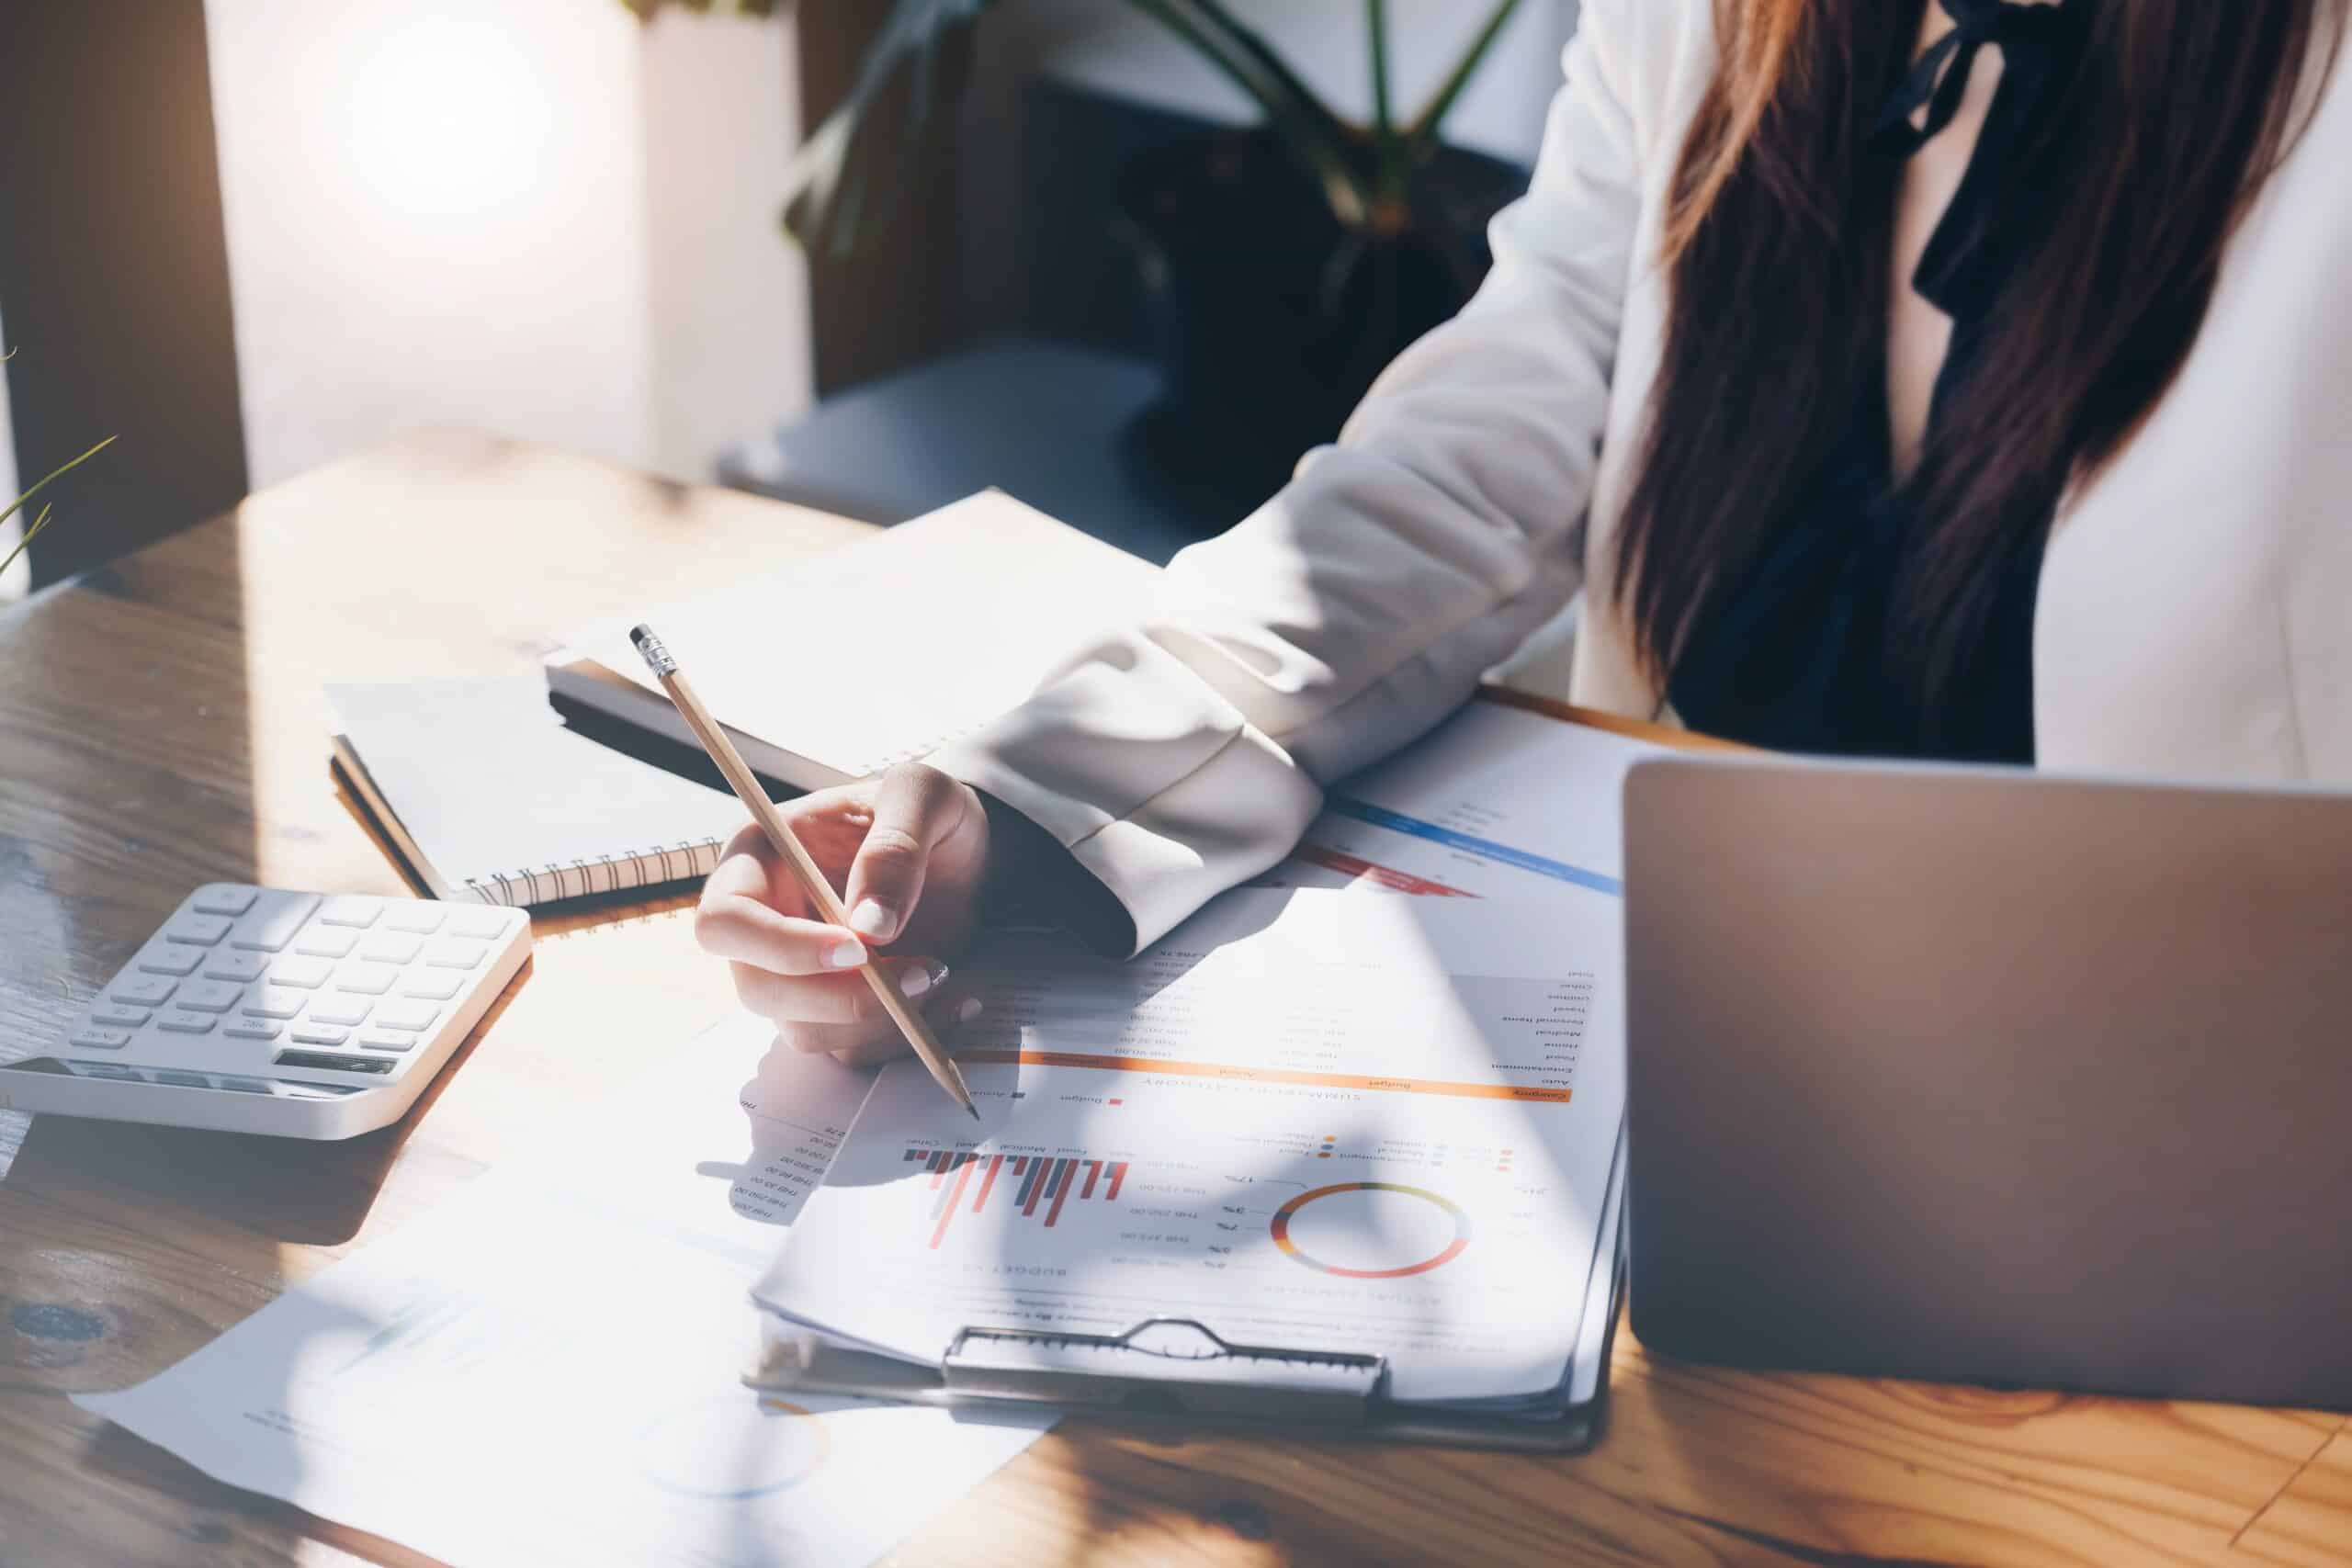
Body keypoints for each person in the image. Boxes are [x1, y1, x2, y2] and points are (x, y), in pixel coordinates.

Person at [695, 0, 2351, 1061]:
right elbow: (1465, 468)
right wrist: (1027, 804)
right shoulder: (1711, 25)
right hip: (1718, 1090)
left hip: (2193, 1142)